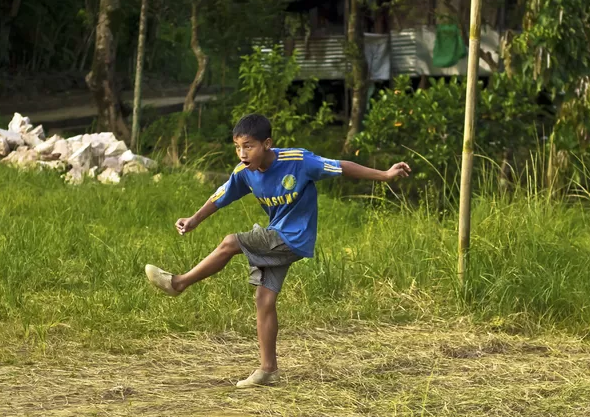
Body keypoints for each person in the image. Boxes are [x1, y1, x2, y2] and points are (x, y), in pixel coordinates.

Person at [145, 113, 411, 387]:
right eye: (237, 146)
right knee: (264, 300)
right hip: (279, 238)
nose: (242, 153)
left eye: (248, 146)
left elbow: (341, 166)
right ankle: (268, 370)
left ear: (267, 144)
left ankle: (178, 283)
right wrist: (193, 219)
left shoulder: (298, 161)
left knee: (230, 242)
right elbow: (221, 195)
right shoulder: (244, 173)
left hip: (294, 237)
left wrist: (385, 175)